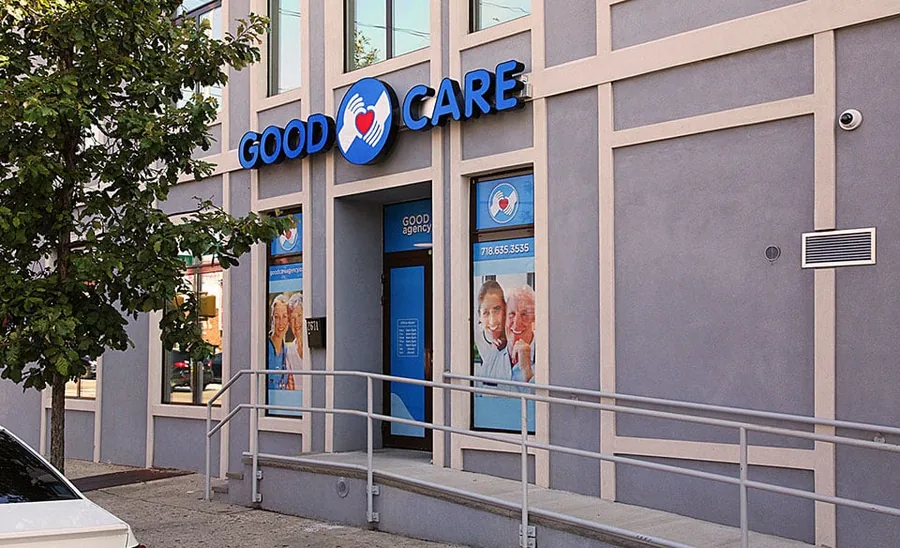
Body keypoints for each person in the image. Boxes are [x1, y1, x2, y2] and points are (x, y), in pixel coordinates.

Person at [474, 280, 513, 384]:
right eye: (486, 313)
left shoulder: (514, 334)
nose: (492, 321)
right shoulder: (477, 338)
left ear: (505, 310)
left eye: (497, 310)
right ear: (479, 316)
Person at [505, 285, 535, 389]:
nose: (517, 323)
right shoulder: (492, 359)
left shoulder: (547, 359)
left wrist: (527, 371)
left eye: (524, 314)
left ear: (534, 319)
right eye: (512, 314)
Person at [267, 295, 290, 390]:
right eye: (277, 317)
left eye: (284, 316)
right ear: (272, 319)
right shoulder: (265, 346)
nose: (281, 322)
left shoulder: (287, 351)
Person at [283, 292, 304, 391]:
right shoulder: (290, 350)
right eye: (292, 318)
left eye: (299, 316)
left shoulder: (312, 347)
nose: (296, 322)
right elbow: (289, 384)